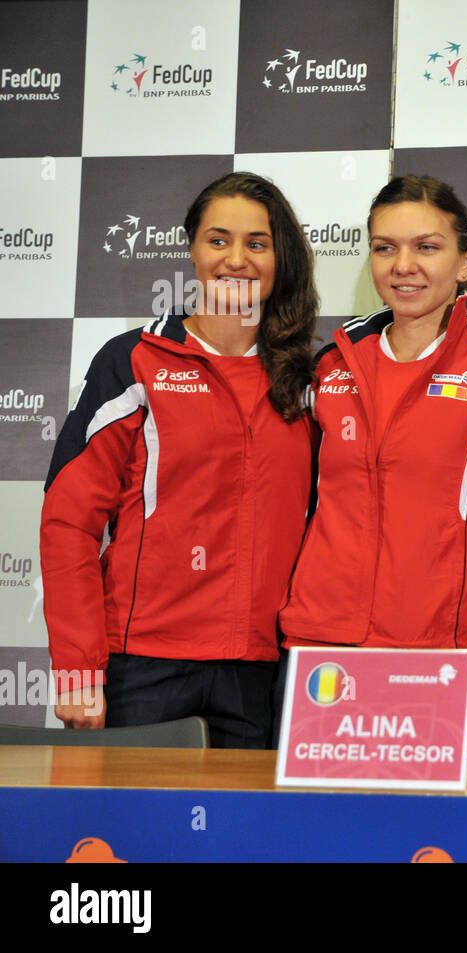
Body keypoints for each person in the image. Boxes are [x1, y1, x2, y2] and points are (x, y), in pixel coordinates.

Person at [41, 171, 319, 747]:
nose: (235, 259)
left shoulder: (310, 380)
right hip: (143, 666)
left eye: (257, 243)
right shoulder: (134, 362)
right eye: (218, 240)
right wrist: (76, 667)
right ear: (192, 249)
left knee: (252, 840)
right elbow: (69, 521)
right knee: (132, 838)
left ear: (280, 258)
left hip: (265, 674)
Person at [278, 175, 467, 718]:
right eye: (385, 248)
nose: (403, 265)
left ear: (466, 262)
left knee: (421, 807)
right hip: (320, 648)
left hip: (434, 654)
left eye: (427, 247)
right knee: (317, 806)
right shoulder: (331, 365)